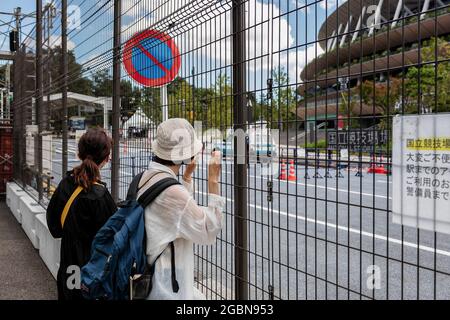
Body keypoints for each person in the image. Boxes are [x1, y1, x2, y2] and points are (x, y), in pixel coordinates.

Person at [139, 118, 224, 300]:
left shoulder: (145, 178)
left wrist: (186, 177)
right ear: (185, 155)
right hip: (168, 290)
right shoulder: (172, 193)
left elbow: (173, 216)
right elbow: (209, 230)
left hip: (150, 278)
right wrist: (213, 180)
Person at [46, 128, 117, 300]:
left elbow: (55, 228)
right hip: (95, 271)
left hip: (69, 268)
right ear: (107, 159)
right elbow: (115, 237)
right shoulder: (101, 196)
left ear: (79, 154)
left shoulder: (65, 184)